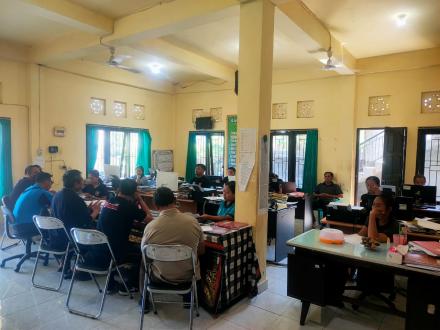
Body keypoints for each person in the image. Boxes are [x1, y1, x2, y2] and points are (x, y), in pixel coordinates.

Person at [93, 179, 153, 292]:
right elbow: (150, 218)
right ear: (134, 193)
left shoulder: (110, 200)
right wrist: (140, 199)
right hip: (115, 251)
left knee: (116, 240)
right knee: (142, 251)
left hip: (100, 247)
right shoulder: (128, 206)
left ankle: (110, 284)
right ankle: (130, 285)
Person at [142, 187, 205, 284]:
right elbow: (201, 251)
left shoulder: (150, 227)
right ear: (175, 201)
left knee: (143, 264)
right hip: (188, 276)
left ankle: (145, 298)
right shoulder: (193, 222)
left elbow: (145, 254)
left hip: (159, 276)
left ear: (155, 205)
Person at [12, 172, 53, 236]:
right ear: (46, 181)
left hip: (16, 227)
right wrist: (55, 195)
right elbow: (56, 207)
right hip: (26, 227)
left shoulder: (28, 190)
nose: (51, 184)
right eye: (51, 182)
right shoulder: (43, 192)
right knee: (58, 225)